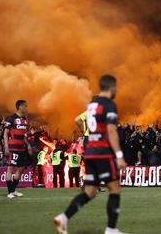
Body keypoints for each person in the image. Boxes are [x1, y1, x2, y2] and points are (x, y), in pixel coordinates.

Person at [54, 75, 128, 234]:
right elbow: (111, 130)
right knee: (114, 188)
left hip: (90, 152)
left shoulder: (91, 105)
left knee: (90, 192)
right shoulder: (109, 104)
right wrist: (119, 155)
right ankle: (111, 229)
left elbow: (81, 122)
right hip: (102, 152)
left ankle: (63, 218)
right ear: (112, 87)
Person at [3, 100, 32, 199]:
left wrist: (28, 145)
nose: (27, 107)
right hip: (13, 148)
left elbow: (22, 135)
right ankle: (9, 192)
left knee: (21, 168)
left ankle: (13, 190)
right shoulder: (11, 118)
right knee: (10, 168)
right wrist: (6, 147)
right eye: (25, 106)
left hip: (21, 148)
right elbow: (5, 134)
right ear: (20, 107)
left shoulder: (24, 119)